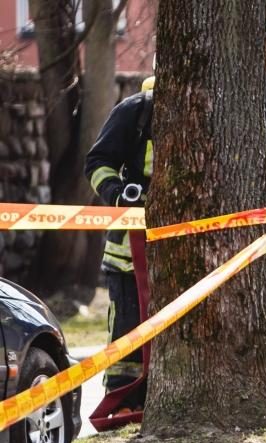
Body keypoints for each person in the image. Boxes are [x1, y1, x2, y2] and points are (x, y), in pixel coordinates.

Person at [85, 78, 154, 413]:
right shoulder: (136, 111)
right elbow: (97, 162)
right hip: (129, 252)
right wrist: (117, 195)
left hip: (182, 247)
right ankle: (123, 398)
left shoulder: (212, 108)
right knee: (127, 324)